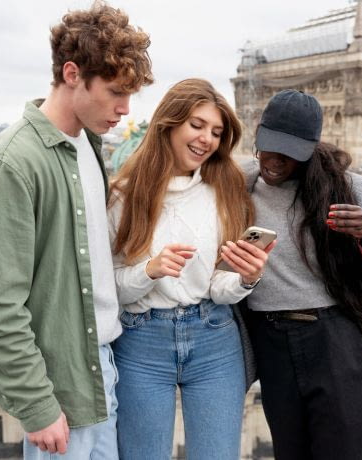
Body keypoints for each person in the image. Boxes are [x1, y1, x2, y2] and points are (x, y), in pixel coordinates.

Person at [0, 2, 153, 458]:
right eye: (115, 92)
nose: (125, 110)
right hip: (59, 383)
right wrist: (36, 404)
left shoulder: (87, 143)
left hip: (100, 365)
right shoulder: (10, 163)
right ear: (72, 73)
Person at [242, 90, 362, 460]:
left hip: (338, 342)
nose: (273, 161)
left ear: (310, 148)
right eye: (267, 147)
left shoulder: (355, 191)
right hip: (272, 346)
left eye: (288, 153)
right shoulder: (241, 184)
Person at [108, 78, 274, 460]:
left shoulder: (225, 190)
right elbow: (111, 289)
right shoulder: (122, 195)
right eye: (197, 125)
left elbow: (217, 286)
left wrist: (247, 278)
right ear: (169, 122)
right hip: (141, 341)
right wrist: (149, 270)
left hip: (213, 336)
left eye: (216, 132)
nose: (207, 140)